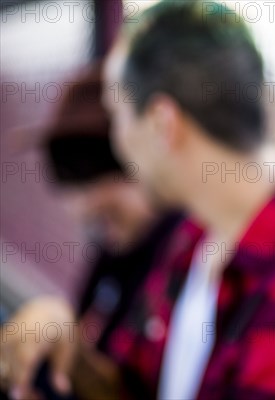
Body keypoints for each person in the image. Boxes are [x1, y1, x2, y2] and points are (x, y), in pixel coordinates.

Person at [102, 1, 275, 399]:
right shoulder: (198, 233)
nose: (116, 140)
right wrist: (60, 341)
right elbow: (129, 382)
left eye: (116, 115)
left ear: (161, 122)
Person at [0, 66, 195, 400]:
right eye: (65, 176)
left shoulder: (185, 258)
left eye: (91, 172)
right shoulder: (115, 252)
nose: (79, 205)